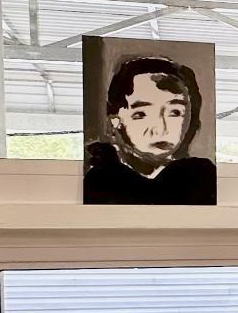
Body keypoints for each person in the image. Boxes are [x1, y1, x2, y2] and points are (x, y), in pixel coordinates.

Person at [83, 55, 218, 204]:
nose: (161, 128)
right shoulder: (99, 182)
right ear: (116, 121)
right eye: (141, 114)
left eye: (175, 112)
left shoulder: (201, 177)